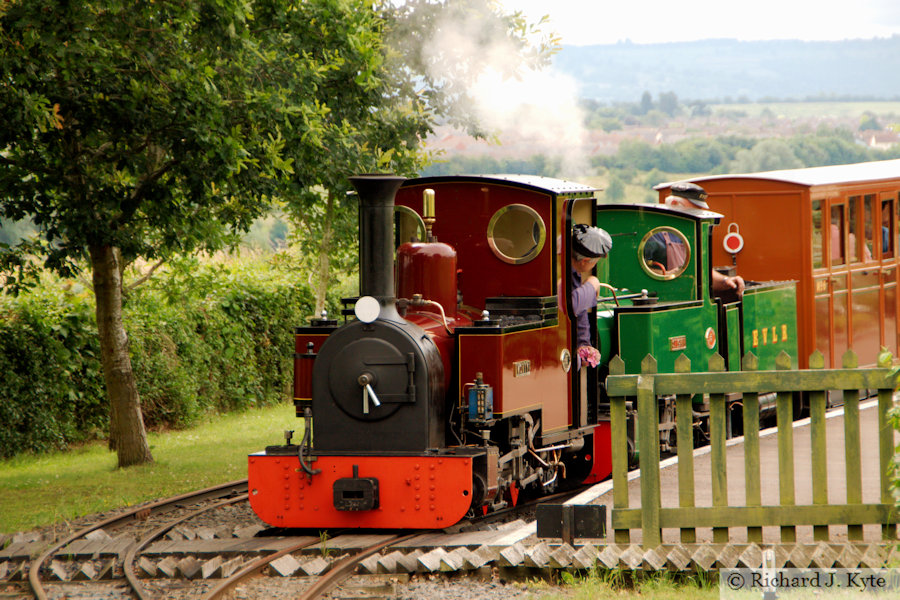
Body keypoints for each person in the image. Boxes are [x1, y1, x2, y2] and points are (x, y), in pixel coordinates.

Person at [664, 182, 745, 297]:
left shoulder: (690, 234)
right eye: (692, 212)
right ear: (673, 203)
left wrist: (726, 280)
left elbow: (702, 271)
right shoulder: (655, 235)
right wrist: (667, 274)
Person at [571, 223, 612, 367]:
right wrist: (592, 284)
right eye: (595, 263)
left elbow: (581, 311)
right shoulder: (564, 274)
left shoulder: (575, 273)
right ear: (585, 261)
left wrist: (584, 344)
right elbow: (572, 304)